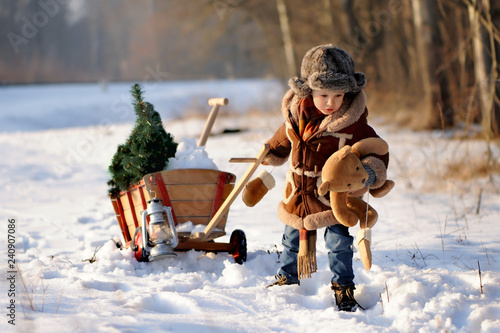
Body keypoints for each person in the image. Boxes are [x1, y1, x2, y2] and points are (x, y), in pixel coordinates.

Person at [262, 44, 389, 312]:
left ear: (348, 93)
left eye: (338, 95)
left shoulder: (355, 124)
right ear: (309, 92)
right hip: (298, 193)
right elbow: (283, 139)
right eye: (323, 95)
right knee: (291, 238)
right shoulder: (297, 116)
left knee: (338, 242)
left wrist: (368, 173)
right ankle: (288, 277)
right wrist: (271, 152)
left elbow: (376, 151)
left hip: (333, 197)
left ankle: (343, 286)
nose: (330, 102)